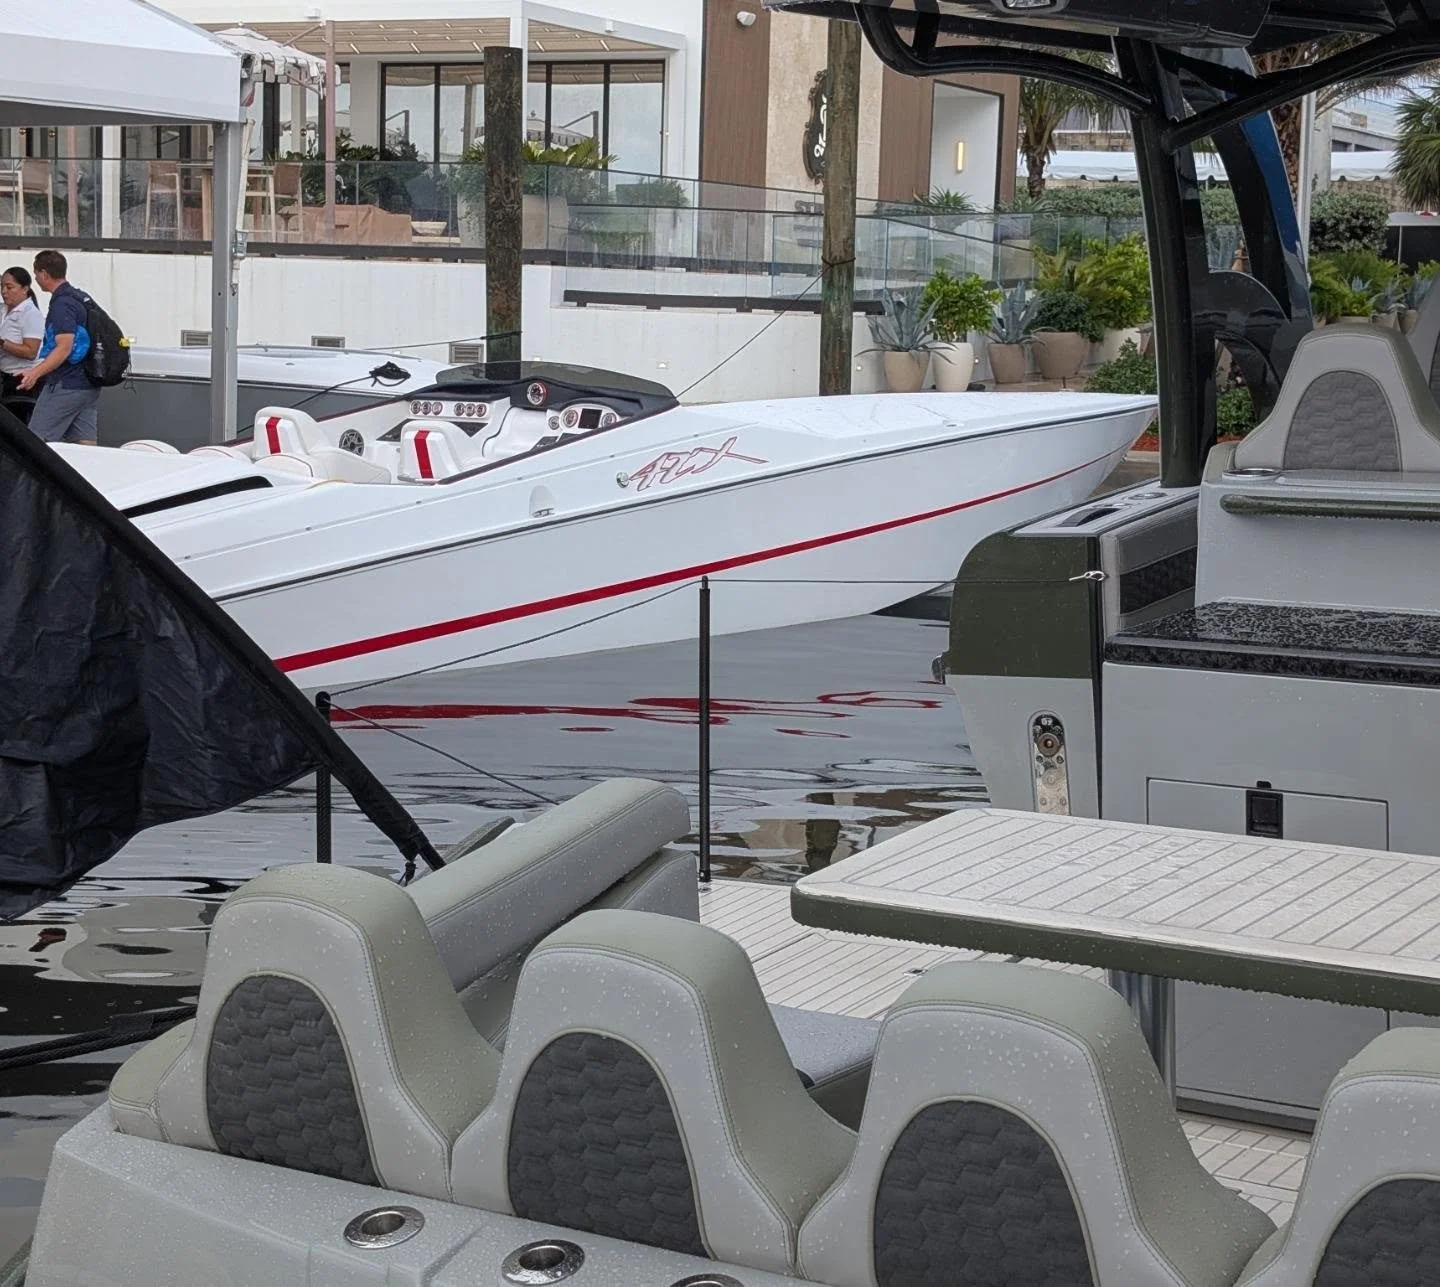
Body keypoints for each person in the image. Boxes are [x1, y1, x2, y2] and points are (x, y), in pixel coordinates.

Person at [20, 250, 99, 445]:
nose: (36, 278)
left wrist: (35, 373)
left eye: (36, 273)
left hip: (66, 383)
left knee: (35, 444)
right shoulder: (81, 297)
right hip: (88, 383)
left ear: (44, 274)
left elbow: (64, 347)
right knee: (84, 445)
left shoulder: (62, 305)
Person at [0, 266, 43, 403]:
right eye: (2, 287)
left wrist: (2, 343)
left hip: (23, 378)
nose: (4, 292)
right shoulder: (2, 310)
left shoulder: (30, 314)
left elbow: (31, 352)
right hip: (5, 375)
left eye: (9, 287)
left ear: (24, 289)